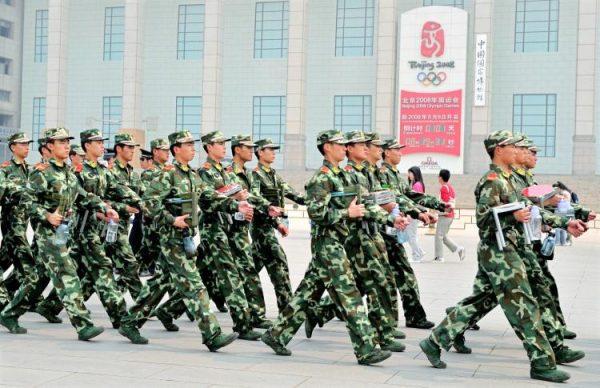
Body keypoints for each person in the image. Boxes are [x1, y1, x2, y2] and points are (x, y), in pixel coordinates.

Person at [419, 130, 585, 383]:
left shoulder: (511, 179)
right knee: (524, 304)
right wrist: (512, 217)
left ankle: (435, 340)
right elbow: (484, 221)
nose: (519, 151)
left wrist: (564, 223)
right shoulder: (492, 180)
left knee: (484, 300)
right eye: (513, 147)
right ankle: (542, 362)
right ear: (499, 149)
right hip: (499, 251)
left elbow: (531, 211)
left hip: (514, 247)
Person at [260, 130, 393, 365]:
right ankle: (366, 348)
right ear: (327, 147)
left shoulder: (343, 176)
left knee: (306, 293)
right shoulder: (320, 179)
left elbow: (362, 204)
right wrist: (346, 213)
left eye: (344, 144)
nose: (344, 148)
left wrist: (390, 218)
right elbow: (317, 213)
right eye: (339, 144)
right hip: (327, 245)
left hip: (338, 242)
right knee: (349, 294)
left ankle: (276, 334)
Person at [118, 130, 247, 351]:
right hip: (171, 239)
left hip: (186, 237)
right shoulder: (167, 174)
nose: (192, 148)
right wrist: (171, 219)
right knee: (196, 286)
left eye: (192, 144)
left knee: (161, 283)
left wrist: (235, 205)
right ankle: (212, 335)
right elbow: (148, 204)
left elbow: (208, 195)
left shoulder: (192, 175)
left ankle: (130, 322)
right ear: (176, 149)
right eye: (187, 144)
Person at [0, 127, 118, 340]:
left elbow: (83, 196)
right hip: (47, 234)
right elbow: (27, 200)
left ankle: (9, 313)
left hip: (64, 233)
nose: (65, 145)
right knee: (67, 274)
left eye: (66, 141)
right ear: (49, 147)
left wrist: (104, 207)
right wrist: (46, 215)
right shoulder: (41, 172)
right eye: (60, 142)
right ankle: (83, 325)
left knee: (35, 277)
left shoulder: (69, 173)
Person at [198, 130, 262, 341]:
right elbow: (207, 199)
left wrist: (261, 204)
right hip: (213, 230)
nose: (223, 147)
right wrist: (233, 197)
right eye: (218, 143)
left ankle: (168, 310)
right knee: (229, 276)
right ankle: (242, 325)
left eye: (224, 143)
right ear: (208, 147)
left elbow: (240, 191)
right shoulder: (205, 172)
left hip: (226, 228)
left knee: (200, 276)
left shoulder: (225, 171)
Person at [251, 138, 305, 313]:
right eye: (270, 149)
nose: (274, 152)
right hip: (260, 228)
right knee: (279, 264)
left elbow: (292, 193)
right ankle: (287, 309)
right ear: (260, 152)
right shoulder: (255, 175)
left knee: (248, 270)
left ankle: (177, 305)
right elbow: (256, 200)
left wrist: (315, 200)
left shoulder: (273, 174)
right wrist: (274, 219)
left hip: (268, 227)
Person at [105, 133, 144, 299]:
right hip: (108, 224)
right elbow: (102, 199)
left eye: (133, 147)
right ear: (118, 149)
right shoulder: (110, 172)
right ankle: (142, 304)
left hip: (122, 226)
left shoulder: (132, 173)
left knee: (93, 269)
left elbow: (142, 195)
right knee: (129, 262)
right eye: (128, 147)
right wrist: (124, 207)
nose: (132, 150)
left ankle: (53, 304)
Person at [433, 169, 465, 262]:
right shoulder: (450, 187)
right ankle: (459, 249)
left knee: (438, 236)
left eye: (438, 176)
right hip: (450, 216)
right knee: (444, 236)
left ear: (440, 177)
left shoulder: (443, 188)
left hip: (445, 216)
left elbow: (445, 202)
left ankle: (439, 257)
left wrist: (436, 210)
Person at [406, 166, 426, 261]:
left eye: (410, 173)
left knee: (411, 236)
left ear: (415, 174)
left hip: (414, 213)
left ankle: (417, 255)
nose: (408, 175)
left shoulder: (417, 185)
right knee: (412, 235)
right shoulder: (417, 184)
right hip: (416, 213)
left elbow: (415, 201)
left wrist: (410, 214)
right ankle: (419, 252)